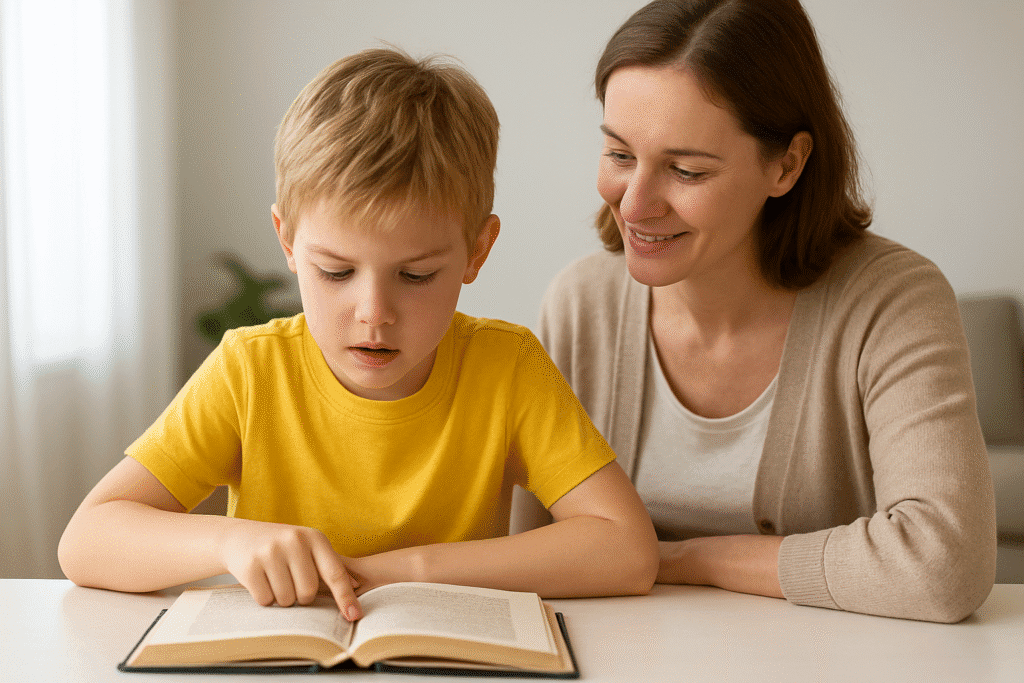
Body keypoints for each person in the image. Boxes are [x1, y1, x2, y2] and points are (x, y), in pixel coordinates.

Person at [59, 48, 659, 621]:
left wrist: (413, 569)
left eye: (416, 275)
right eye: (336, 272)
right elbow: (86, 540)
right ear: (288, 241)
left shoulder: (508, 366)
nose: (373, 313)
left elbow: (626, 550)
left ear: (478, 251)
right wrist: (229, 541)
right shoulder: (250, 370)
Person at [514, 0, 996, 623]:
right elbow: (518, 557)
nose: (633, 206)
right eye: (619, 155)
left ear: (786, 165)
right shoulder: (580, 306)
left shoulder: (892, 303)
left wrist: (691, 561)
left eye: (686, 170)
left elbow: (944, 566)